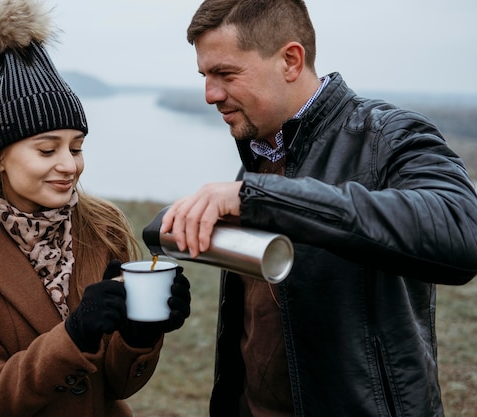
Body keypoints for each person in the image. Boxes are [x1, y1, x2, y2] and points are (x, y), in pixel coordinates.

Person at [158, 1, 477, 416]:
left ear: (291, 60)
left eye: (225, 73)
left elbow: (462, 230)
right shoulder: (258, 155)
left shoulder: (387, 136)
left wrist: (263, 198)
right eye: (205, 76)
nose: (209, 94)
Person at [0, 1, 191, 416]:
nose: (69, 165)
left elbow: (117, 385)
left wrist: (140, 333)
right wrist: (73, 335)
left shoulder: (103, 226)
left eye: (77, 147)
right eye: (46, 149)